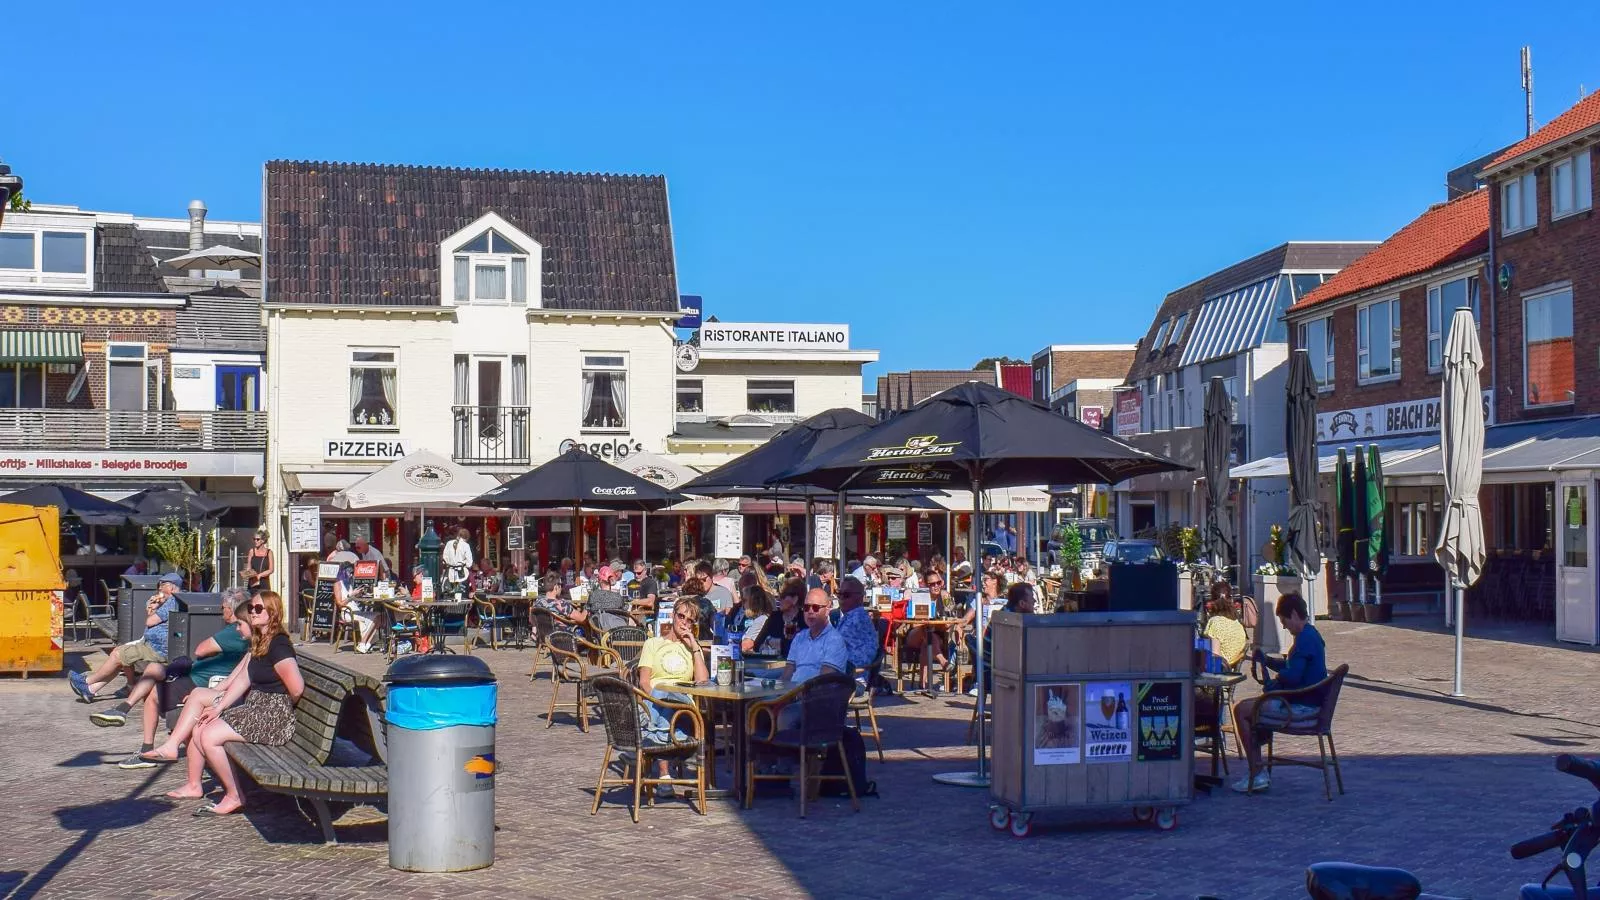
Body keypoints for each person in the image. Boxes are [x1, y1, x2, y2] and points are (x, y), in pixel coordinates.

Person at [166, 591, 304, 817]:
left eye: (258, 609)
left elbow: (296, 688)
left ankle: (234, 795)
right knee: (201, 726)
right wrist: (218, 708)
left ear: (273, 613)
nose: (253, 612)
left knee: (209, 736)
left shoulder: (279, 645)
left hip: (273, 716)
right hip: (257, 708)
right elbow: (242, 680)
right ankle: (215, 789)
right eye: (251, 608)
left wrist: (280, 707)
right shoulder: (261, 641)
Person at [121, 588, 253, 769]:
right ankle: (125, 708)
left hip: (200, 680)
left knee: (153, 693)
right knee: (154, 671)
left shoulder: (233, 632)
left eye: (223, 608)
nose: (221, 611)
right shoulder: (241, 634)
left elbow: (200, 650)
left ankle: (145, 745)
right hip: (201, 679)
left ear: (232, 610)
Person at [1230, 592, 1328, 794]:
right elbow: (1293, 667)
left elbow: (1292, 676)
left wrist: (1273, 681)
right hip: (1306, 701)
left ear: (1294, 614)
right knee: (1253, 707)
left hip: (1302, 707)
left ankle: (1257, 772)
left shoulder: (1305, 640)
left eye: (1284, 621)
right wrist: (1268, 661)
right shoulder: (1310, 635)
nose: (1284, 627)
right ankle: (1258, 766)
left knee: (1241, 711)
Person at [69, 572, 182, 703]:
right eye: (159, 585)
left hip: (157, 648)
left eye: (163, 585)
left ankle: (87, 681)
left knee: (118, 655)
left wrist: (155, 609)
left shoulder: (173, 601)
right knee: (119, 652)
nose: (160, 588)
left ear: (172, 587)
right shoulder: (170, 601)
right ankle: (91, 689)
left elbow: (150, 621)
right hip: (151, 643)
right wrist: (155, 607)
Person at [637, 600, 709, 794]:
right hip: (656, 702)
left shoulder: (692, 648)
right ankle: (664, 771)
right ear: (673, 615)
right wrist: (658, 699)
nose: (684, 622)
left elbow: (702, 681)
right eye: (681, 616)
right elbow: (644, 682)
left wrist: (694, 645)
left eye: (690, 620)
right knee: (661, 692)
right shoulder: (653, 643)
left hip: (684, 707)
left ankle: (649, 738)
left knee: (669, 692)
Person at [782, 588, 848, 684]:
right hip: (793, 690)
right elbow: (787, 674)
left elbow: (824, 680)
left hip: (817, 692)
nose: (810, 611)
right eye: (806, 607)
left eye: (815, 607)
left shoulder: (834, 640)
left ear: (827, 610)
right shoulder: (799, 637)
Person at [833, 576, 878, 690]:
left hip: (852, 679)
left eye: (846, 595)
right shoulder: (850, 616)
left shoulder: (857, 619)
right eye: (839, 594)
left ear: (860, 598)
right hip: (840, 674)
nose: (841, 599)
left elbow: (831, 646)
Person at [751, 578, 807, 657]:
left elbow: (802, 648)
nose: (779, 599)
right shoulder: (774, 617)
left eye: (783, 596)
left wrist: (780, 643)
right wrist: (769, 641)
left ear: (795, 599)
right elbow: (756, 645)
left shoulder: (804, 620)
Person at [334, 561, 378, 653]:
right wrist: (352, 595)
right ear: (344, 572)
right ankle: (364, 643)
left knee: (379, 617)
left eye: (352, 573)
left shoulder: (349, 583)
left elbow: (352, 598)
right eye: (349, 572)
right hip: (347, 612)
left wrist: (359, 594)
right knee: (373, 618)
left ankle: (366, 643)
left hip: (355, 609)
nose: (351, 575)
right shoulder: (337, 584)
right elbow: (340, 604)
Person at [1202, 584, 1248, 670]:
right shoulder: (1237, 622)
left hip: (1221, 667)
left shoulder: (1215, 622)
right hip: (1233, 662)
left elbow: (1215, 656)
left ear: (1212, 600)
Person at [737, 586, 774, 655]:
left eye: (745, 600)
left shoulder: (761, 619)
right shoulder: (754, 619)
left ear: (754, 602)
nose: (742, 603)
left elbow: (746, 645)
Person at [442, 527, 474, 596]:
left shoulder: (449, 543)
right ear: (467, 538)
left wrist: (450, 563)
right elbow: (469, 563)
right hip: (461, 575)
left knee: (450, 596)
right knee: (461, 595)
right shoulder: (466, 545)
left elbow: (444, 559)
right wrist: (462, 563)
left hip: (450, 574)